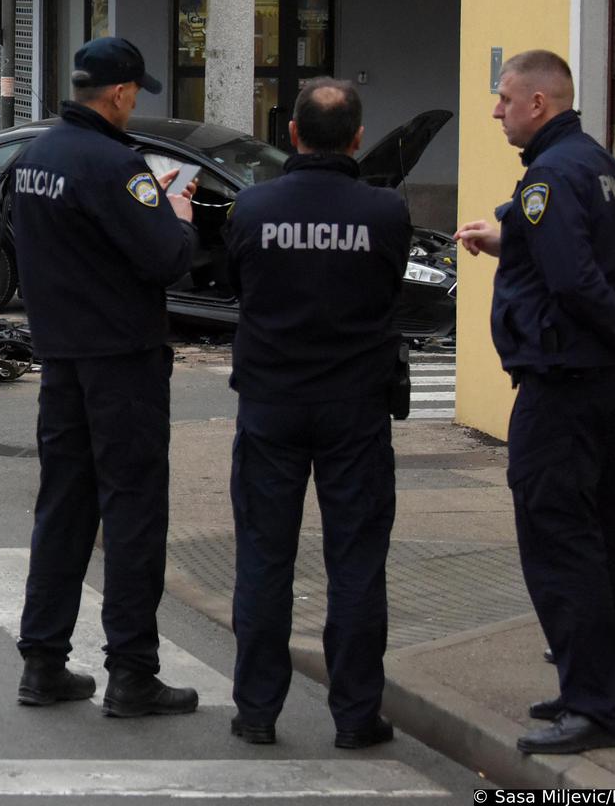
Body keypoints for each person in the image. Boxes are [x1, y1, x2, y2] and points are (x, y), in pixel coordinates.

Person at [456, 49, 615, 755]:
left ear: (538, 104)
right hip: (607, 385)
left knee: (560, 542)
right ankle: (596, 689)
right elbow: (588, 249)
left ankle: (594, 705)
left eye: (505, 98)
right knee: (601, 540)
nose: (497, 111)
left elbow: (573, 277)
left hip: (564, 383)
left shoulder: (550, 173)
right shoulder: (603, 167)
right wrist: (509, 234)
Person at [9, 37, 200, 717]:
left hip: (61, 357)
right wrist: (177, 214)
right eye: (134, 94)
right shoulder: (116, 164)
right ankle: (132, 673)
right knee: (132, 513)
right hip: (122, 360)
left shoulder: (35, 157)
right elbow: (167, 257)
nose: (133, 104)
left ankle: (42, 662)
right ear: (118, 94)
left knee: (63, 508)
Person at [222, 80, 412, 749]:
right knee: (356, 562)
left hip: (271, 403)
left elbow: (241, 286)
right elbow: (390, 287)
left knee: (263, 558)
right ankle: (356, 716)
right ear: (357, 138)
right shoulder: (386, 212)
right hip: (355, 407)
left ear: (293, 134)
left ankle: (256, 711)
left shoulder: (252, 207)